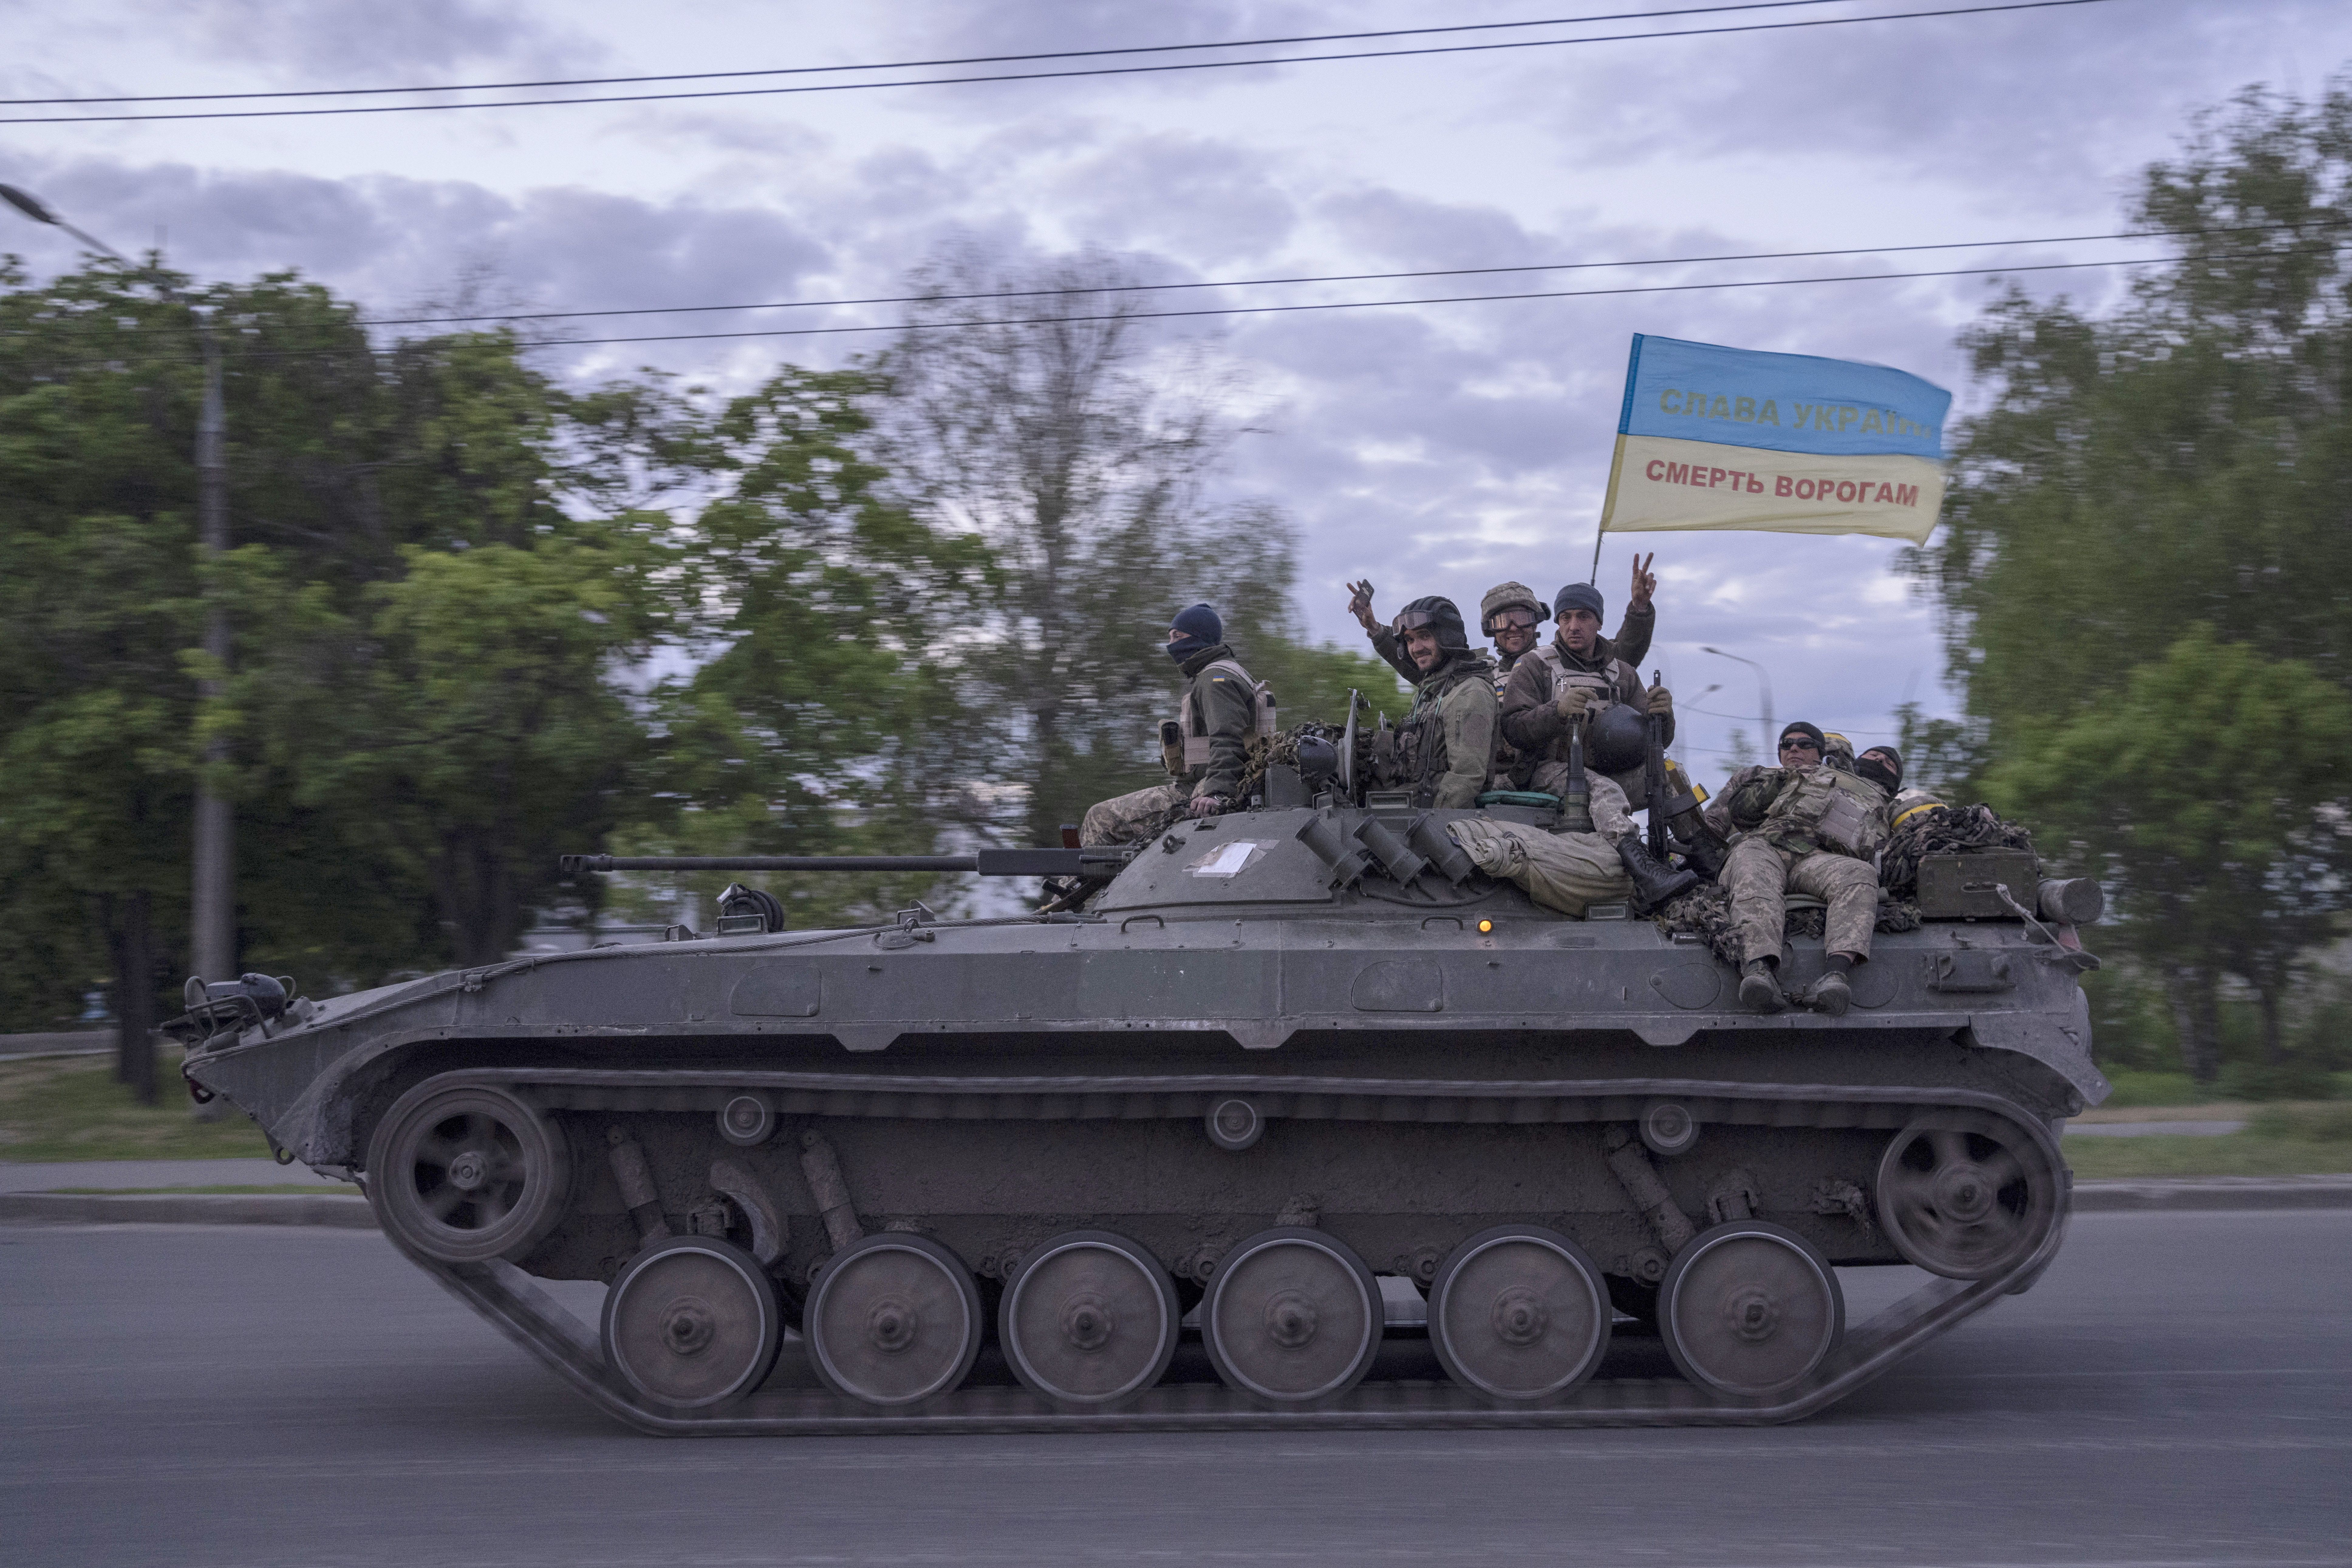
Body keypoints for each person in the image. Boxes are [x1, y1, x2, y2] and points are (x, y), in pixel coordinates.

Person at [1497, 580, 1690, 906]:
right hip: (1546, 774)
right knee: (1602, 790)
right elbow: (1512, 728)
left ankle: (1698, 853)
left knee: (1670, 772)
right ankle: (1642, 869)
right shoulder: (1535, 665)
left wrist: (1663, 715)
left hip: (1609, 770)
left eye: (1584, 617)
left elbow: (1654, 742)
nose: (1574, 626)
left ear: (1599, 622)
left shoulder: (1621, 674)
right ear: (1557, 623)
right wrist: (1555, 712)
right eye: (1566, 618)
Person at [1715, 723, 1902, 1016]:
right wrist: (1784, 779)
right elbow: (1739, 811)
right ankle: (1758, 971)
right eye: (1787, 744)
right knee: (1749, 862)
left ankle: (1835, 976)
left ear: (1819, 752)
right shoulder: (1771, 776)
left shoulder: (1866, 791)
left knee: (1860, 875)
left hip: (1819, 859)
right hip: (1769, 845)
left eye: (1804, 744)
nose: (1794, 749)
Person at [1346, 553, 1657, 703]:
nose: (1511, 629)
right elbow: (1422, 668)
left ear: (1536, 623)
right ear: (1488, 630)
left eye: (1521, 619)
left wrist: (1639, 610)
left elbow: (1623, 655)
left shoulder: (1563, 662)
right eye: (1500, 622)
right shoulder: (1478, 674)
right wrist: (1376, 630)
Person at [1078, 604, 1258, 847]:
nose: (1171, 644)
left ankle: (1084, 884)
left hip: (1201, 787)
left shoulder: (1215, 680)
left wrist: (1217, 793)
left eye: (1178, 636)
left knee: (1100, 817)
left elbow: (1228, 739)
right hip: (1207, 782)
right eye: (1170, 637)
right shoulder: (1229, 672)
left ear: (1199, 637)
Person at [1388, 596, 1499, 809]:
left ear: (1448, 637)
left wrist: (1429, 825)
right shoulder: (1430, 691)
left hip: (1442, 820)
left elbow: (1466, 779)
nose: (1416, 648)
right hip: (1416, 805)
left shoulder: (1470, 692)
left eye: (1424, 636)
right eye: (1410, 640)